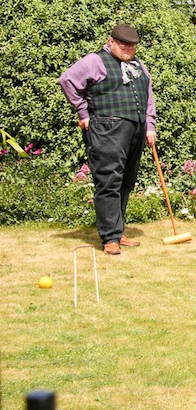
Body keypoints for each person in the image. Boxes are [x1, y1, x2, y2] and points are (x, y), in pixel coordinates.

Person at [58, 24, 155, 256]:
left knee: (126, 182)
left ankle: (118, 232)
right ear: (111, 41)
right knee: (109, 182)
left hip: (136, 130)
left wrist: (149, 125)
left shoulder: (139, 65)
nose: (128, 49)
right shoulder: (95, 61)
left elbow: (148, 96)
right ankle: (109, 238)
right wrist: (83, 112)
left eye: (132, 46)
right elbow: (67, 81)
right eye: (123, 45)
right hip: (106, 128)